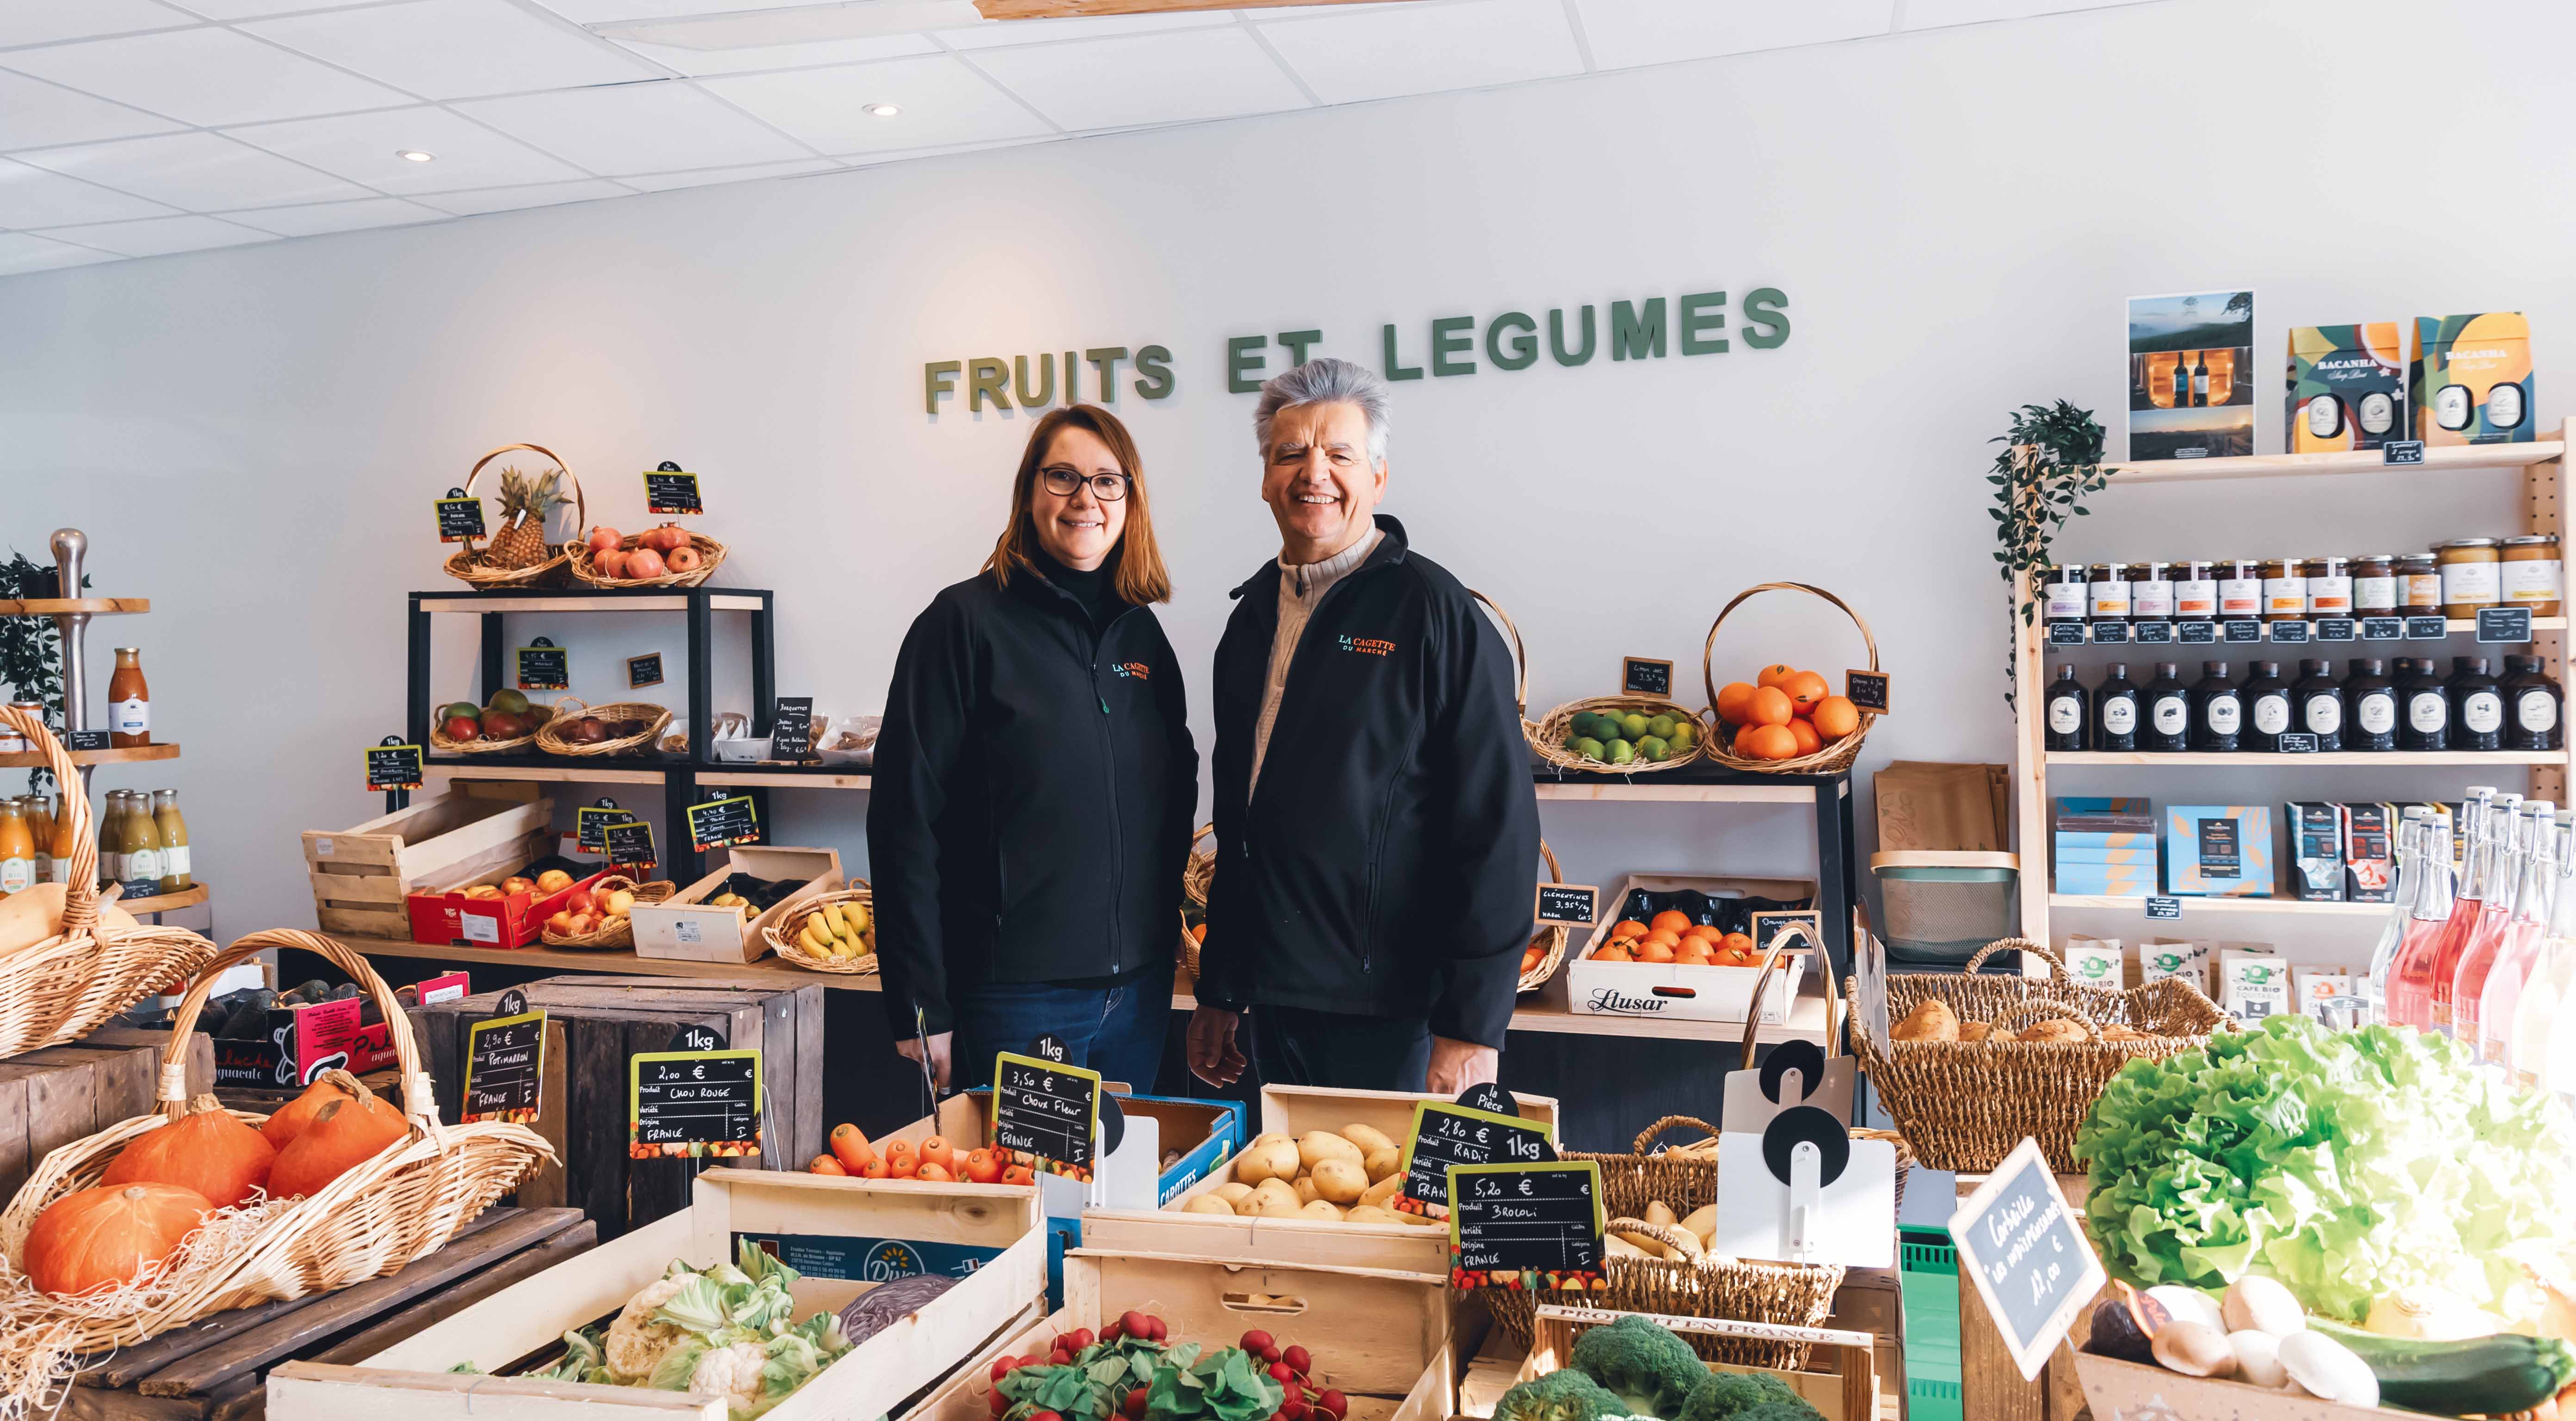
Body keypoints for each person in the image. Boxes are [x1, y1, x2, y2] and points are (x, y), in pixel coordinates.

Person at [1187, 358, 1541, 1094]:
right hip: (1277, 1002)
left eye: (1340, 454)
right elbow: (1239, 822)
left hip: (1396, 1012)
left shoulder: (1436, 614)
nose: (1313, 472)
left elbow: (1498, 830)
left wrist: (1473, 1026)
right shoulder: (1251, 619)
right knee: (1299, 1208)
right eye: (1290, 454)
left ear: (1377, 477)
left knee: (1388, 1206)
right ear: (1264, 478)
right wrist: (1222, 988)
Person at [871, 404, 1197, 1095]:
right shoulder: (961, 624)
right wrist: (920, 1004)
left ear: (1130, 501)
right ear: (1029, 492)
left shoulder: (1142, 638)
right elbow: (905, 820)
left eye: (1108, 481)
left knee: (1110, 1201)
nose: (1086, 498)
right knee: (1022, 1203)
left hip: (1137, 997)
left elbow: (1176, 792)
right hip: (1015, 998)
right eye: (1064, 477)